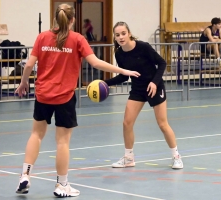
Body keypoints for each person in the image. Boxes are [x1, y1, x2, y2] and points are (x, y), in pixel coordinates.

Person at [14, 4, 140, 198]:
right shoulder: (77, 39)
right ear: (72, 20)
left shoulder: (43, 37)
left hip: (42, 95)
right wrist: (123, 71)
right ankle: (62, 185)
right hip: (64, 97)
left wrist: (23, 83)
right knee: (62, 142)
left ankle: (25, 175)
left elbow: (30, 64)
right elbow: (96, 62)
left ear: (55, 18)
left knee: (36, 135)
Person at [103, 21, 183, 169]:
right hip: (138, 89)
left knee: (162, 124)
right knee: (127, 123)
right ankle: (129, 158)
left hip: (155, 86)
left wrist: (154, 82)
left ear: (129, 33)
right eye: (117, 35)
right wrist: (104, 83)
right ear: (114, 37)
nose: (121, 37)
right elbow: (124, 76)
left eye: (123, 33)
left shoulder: (143, 47)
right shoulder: (119, 54)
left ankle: (176, 156)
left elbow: (162, 63)